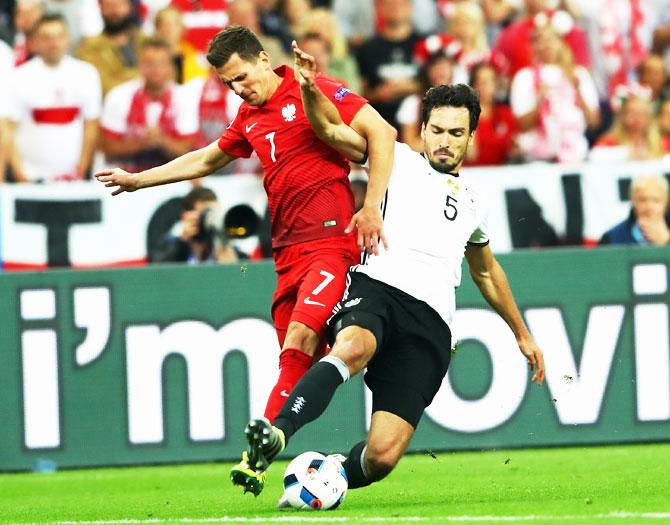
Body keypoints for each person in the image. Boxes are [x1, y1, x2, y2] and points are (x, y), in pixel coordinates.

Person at [95, 25, 396, 495]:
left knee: (301, 334)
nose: (240, 88)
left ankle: (267, 441)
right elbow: (206, 159)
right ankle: (261, 455)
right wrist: (139, 181)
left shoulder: (312, 87)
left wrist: (371, 204)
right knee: (294, 358)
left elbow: (382, 133)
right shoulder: (248, 116)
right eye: (229, 84)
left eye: (242, 77)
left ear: (261, 60)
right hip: (286, 252)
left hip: (331, 243)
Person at [238, 44, 545, 503]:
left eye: (456, 133)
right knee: (353, 345)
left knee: (381, 456)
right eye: (437, 130)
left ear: (470, 138)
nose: (444, 140)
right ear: (422, 130)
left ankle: (328, 473)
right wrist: (308, 90)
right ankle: (278, 433)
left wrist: (522, 333)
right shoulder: (395, 159)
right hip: (378, 288)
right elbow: (329, 129)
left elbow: (486, 272)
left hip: (432, 322)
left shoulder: (476, 200)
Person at [5, 13, 101, 183]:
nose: (54, 43)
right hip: (30, 176)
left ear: (68, 38)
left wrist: (81, 170)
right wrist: (20, 175)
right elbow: (8, 129)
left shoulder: (87, 74)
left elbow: (91, 126)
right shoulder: (18, 77)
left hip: (73, 178)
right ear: (34, 41)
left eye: (59, 36)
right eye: (46, 37)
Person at [100, 38, 198, 172]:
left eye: (161, 63)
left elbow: (188, 150)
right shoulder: (118, 96)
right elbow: (108, 149)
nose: (156, 69)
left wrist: (161, 141)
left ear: (171, 67)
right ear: (140, 66)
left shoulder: (185, 97)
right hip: (125, 176)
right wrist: (142, 143)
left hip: (171, 179)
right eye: (149, 63)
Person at [151, 185, 243, 263]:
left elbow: (246, 273)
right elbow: (157, 275)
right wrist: (181, 243)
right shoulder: (169, 246)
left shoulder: (229, 249)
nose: (209, 220)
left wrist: (235, 268)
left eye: (213, 214)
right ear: (185, 216)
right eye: (204, 214)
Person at [599, 174, 670, 246]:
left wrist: (667, 241)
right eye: (643, 200)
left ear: (666, 202)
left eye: (656, 200)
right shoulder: (612, 238)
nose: (649, 207)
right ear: (633, 201)